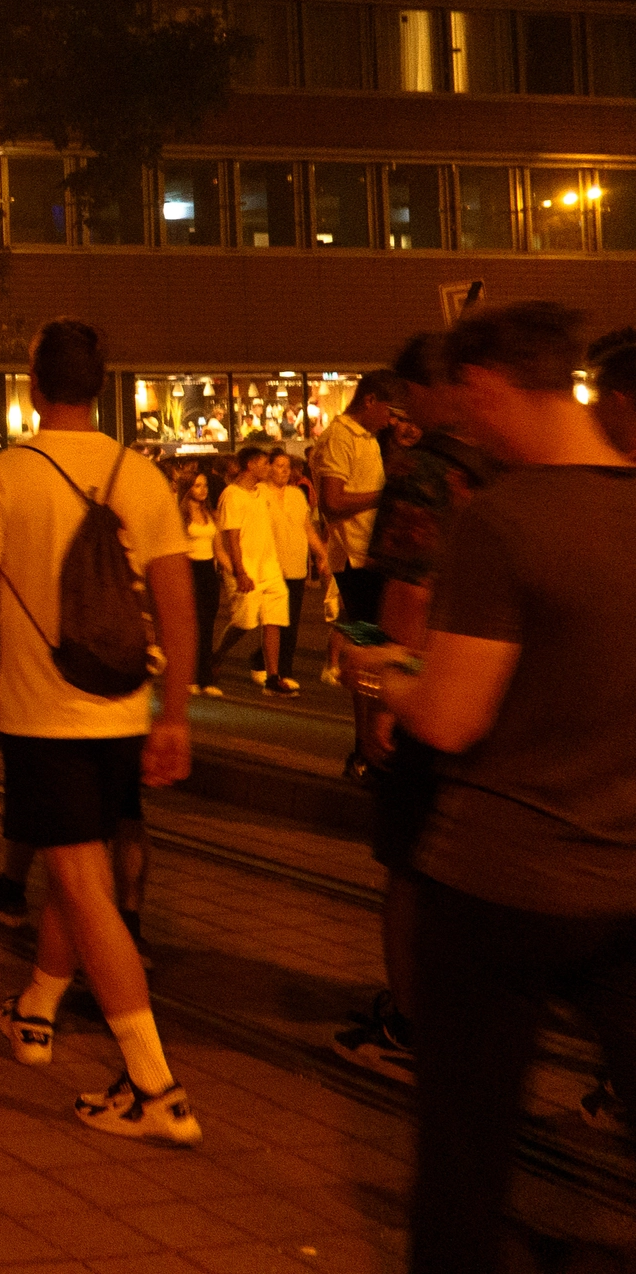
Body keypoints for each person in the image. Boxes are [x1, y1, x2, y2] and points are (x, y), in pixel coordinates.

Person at [341, 303, 636, 1272]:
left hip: (500, 879)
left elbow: (454, 718)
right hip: (624, 880)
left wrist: (387, 675)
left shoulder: (504, 521)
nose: (465, 418)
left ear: (500, 385)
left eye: (470, 396)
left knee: (465, 1149)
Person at [0, 319, 203, 1144]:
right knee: (80, 868)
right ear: (99, 385)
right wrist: (173, 712)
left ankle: (154, 1085)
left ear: (34, 386)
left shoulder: (4, 478)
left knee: (80, 883)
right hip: (120, 710)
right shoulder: (139, 476)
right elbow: (178, 609)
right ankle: (37, 1009)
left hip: (43, 716)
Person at [333, 332, 497, 1085]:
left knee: (404, 861)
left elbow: (397, 593)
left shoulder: (423, 471)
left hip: (426, 679)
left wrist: (376, 700)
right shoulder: (507, 465)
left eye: (409, 394)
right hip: (493, 682)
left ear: (437, 390)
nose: (402, 409)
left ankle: (407, 1022)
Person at [315, 371, 402, 642]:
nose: (390, 421)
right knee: (370, 640)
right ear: (370, 400)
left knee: (379, 637)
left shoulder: (366, 436)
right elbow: (332, 502)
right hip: (356, 557)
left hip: (371, 552)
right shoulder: (339, 437)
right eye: (388, 410)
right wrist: (383, 496)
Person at [218, 447, 293, 694]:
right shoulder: (232, 496)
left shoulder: (262, 492)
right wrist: (240, 571)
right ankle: (216, 655)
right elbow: (232, 537)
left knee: (274, 620)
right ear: (250, 465)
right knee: (245, 621)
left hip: (270, 567)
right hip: (247, 568)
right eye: (264, 463)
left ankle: (273, 677)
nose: (268, 468)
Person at [265, 450, 319, 684]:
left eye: (288, 466)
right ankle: (262, 661)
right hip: (270, 564)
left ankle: (284, 670)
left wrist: (322, 555)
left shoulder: (297, 494)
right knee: (261, 620)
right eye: (279, 465)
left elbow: (307, 527)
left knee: (291, 621)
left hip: (295, 564)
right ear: (268, 468)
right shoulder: (259, 494)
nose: (285, 470)